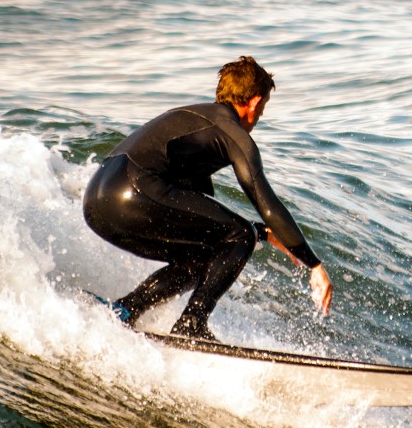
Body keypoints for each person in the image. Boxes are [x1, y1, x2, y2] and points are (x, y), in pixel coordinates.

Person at [82, 56, 333, 342]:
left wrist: (263, 232)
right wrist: (313, 265)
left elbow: (201, 216)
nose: (261, 115)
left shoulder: (193, 124)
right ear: (254, 101)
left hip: (98, 202)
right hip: (133, 190)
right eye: (263, 107)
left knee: (206, 252)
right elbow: (265, 200)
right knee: (240, 235)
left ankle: (125, 310)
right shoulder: (231, 132)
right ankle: (192, 323)